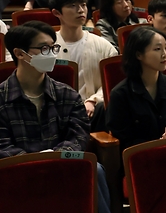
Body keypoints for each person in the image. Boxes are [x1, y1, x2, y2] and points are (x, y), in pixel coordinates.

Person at [0, 22, 113, 212]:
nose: (52, 53)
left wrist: (56, 157)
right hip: (16, 169)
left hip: (63, 163)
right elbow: (2, 145)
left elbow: (78, 135)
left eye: (54, 47)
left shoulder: (67, 94)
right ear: (19, 53)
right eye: (44, 48)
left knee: (97, 170)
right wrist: (33, 162)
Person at [106, 26, 166, 153]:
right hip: (140, 160)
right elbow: (123, 140)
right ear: (138, 54)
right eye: (158, 49)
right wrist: (158, 144)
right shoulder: (120, 94)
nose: (165, 54)